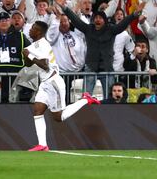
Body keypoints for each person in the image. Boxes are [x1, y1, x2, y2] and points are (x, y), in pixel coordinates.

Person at [24, 21, 100, 152]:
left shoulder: (43, 44)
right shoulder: (33, 46)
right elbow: (29, 64)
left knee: (59, 117)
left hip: (53, 82)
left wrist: (29, 55)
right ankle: (42, 145)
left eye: (33, 28)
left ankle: (85, 99)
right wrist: (26, 54)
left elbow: (45, 65)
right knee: (37, 111)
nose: (30, 30)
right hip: (44, 83)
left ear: (39, 32)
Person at [53, 0, 146, 97]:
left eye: (100, 18)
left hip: (107, 68)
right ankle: (86, 112)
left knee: (110, 99)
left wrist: (134, 14)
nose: (97, 20)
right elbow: (75, 20)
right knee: (86, 99)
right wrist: (64, 7)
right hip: (91, 67)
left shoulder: (111, 29)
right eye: (96, 18)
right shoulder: (88, 29)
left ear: (105, 20)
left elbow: (123, 23)